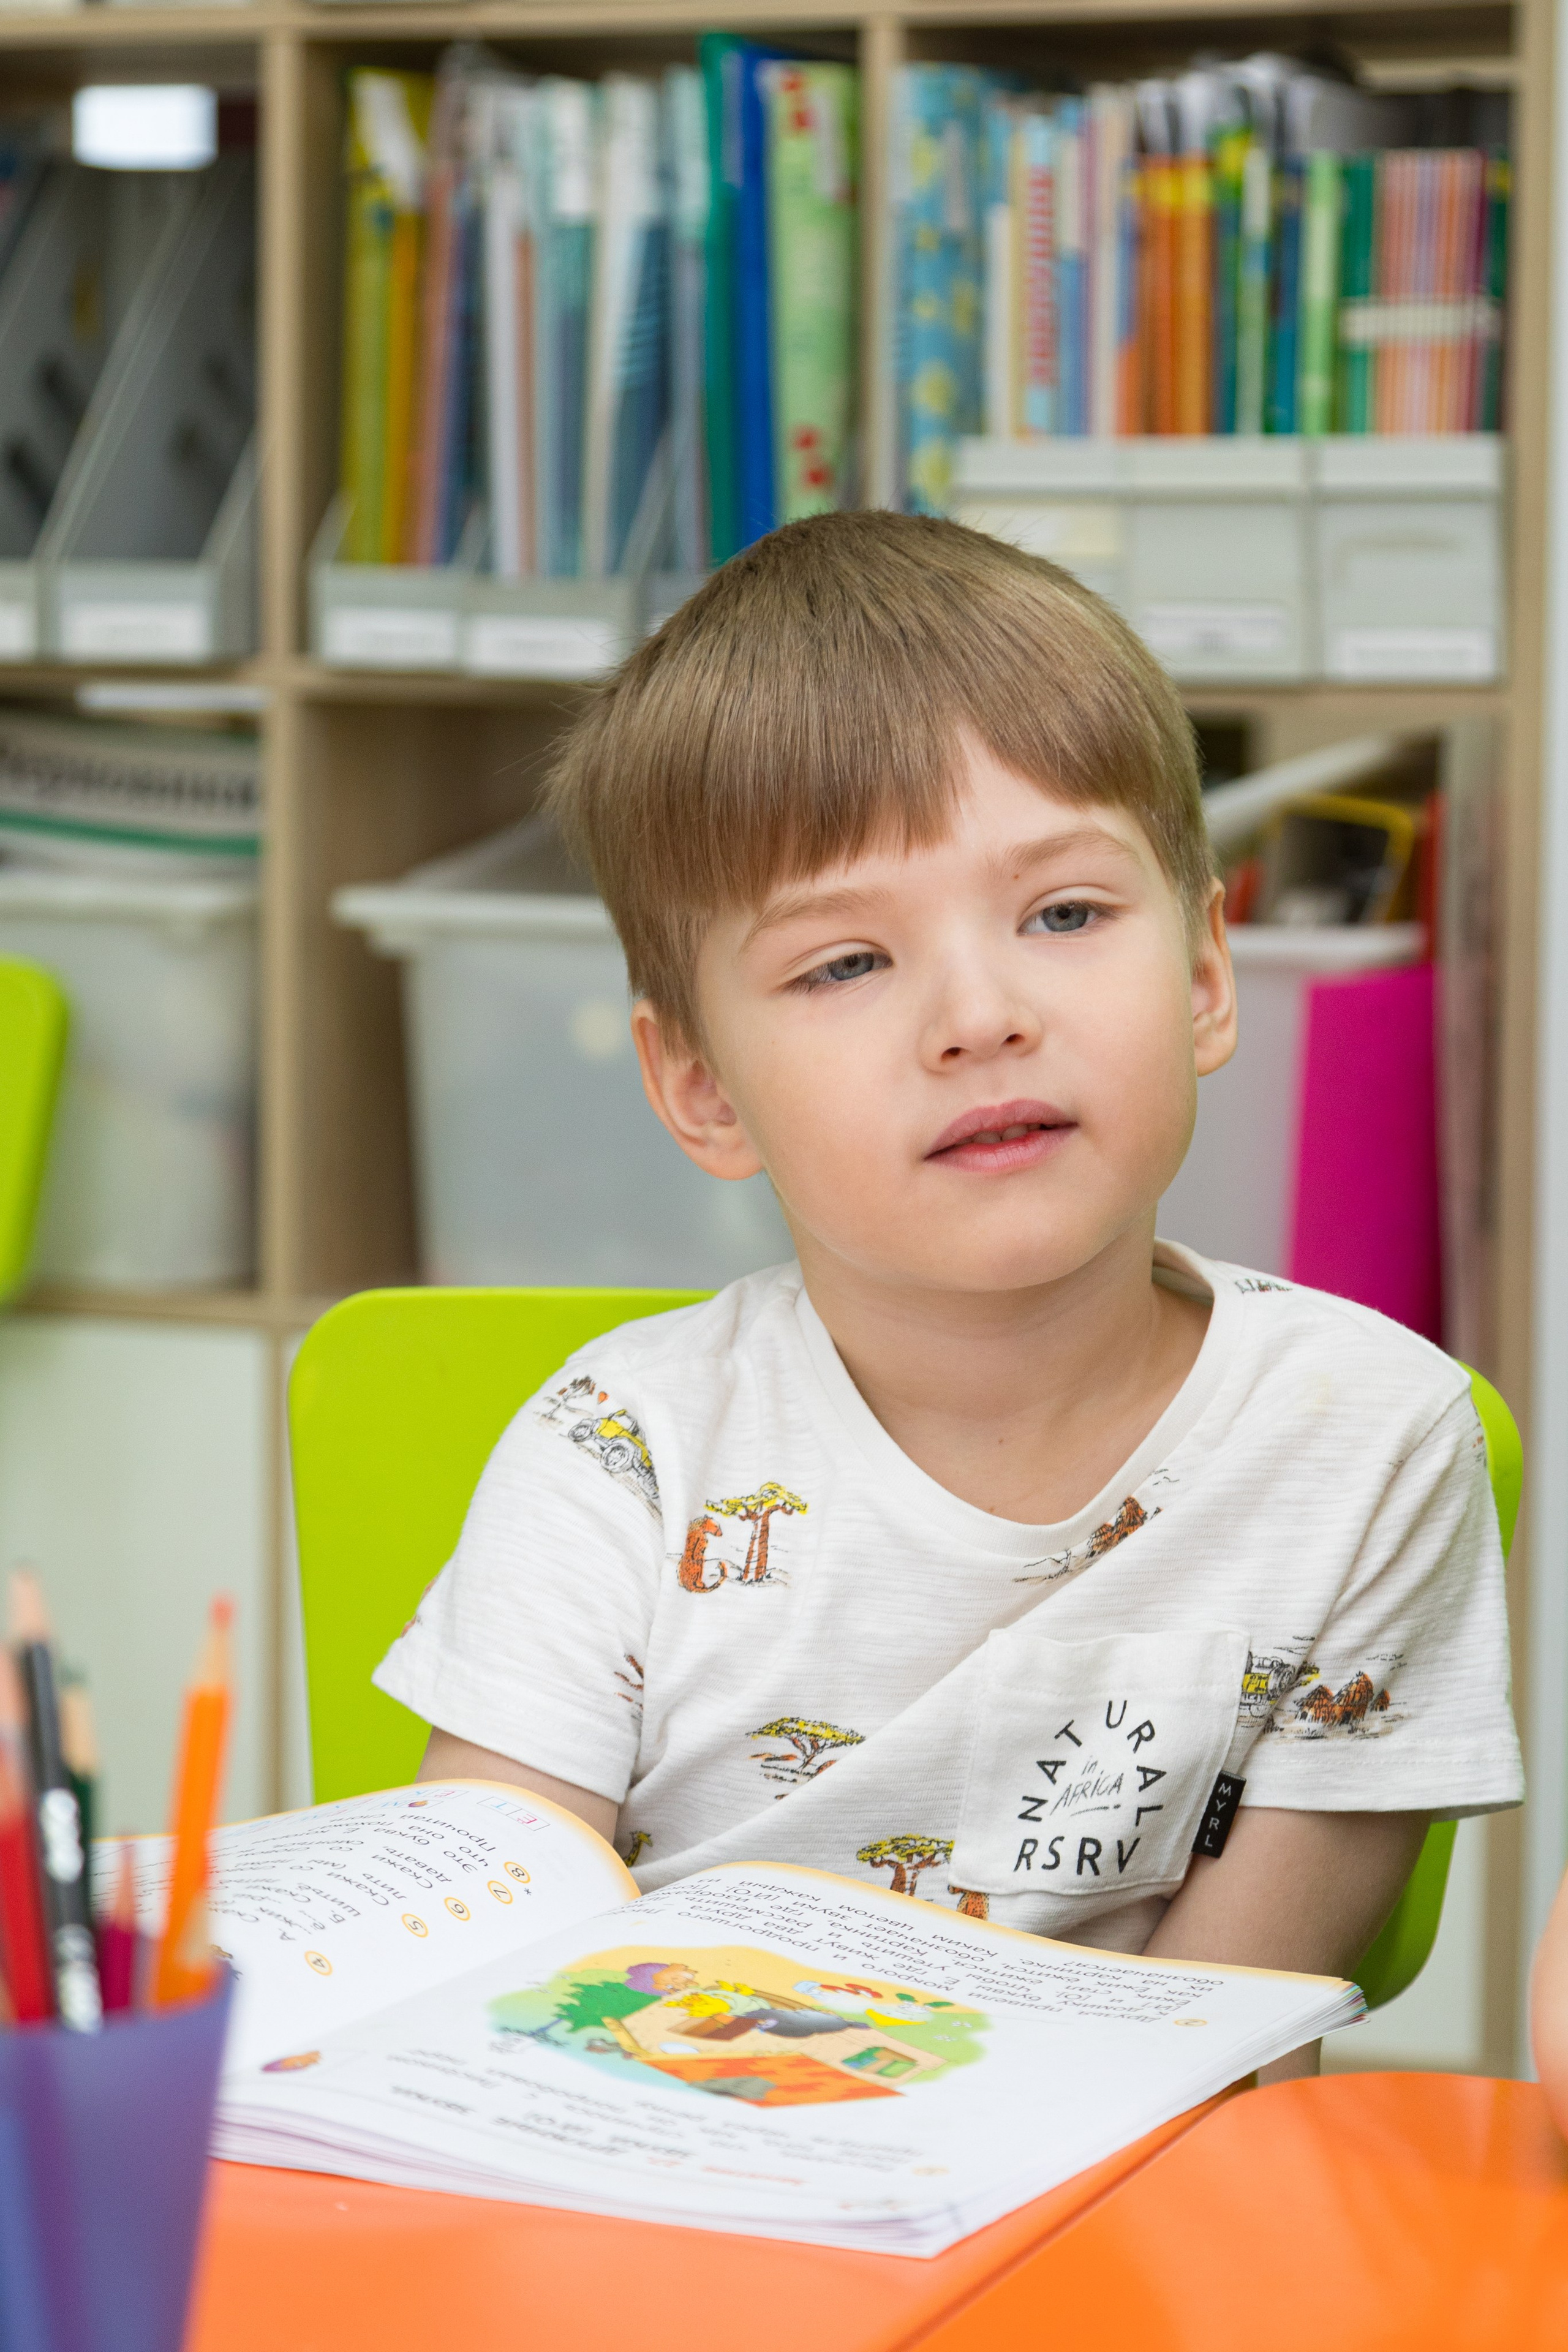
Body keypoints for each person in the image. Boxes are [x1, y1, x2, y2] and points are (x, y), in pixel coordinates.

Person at [375, 511, 1522, 2079]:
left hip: (1126, 2227)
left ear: (1201, 973)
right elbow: (481, 1948)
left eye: (1062, 915)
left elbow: (1218, 2036)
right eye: (844, 964)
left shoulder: (1370, 1438)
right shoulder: (616, 1453)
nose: (978, 1017)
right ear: (700, 1084)